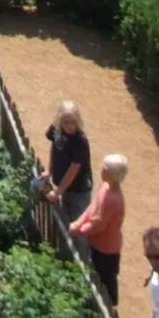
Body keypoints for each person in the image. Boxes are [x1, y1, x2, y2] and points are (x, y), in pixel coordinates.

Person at [72, 153, 128, 304]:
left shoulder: (112, 199)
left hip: (106, 248)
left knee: (107, 279)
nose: (101, 169)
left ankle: (110, 307)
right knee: (97, 274)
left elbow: (99, 223)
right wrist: (78, 223)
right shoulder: (105, 187)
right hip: (98, 243)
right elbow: (93, 207)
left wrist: (80, 230)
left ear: (114, 175)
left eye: (106, 168)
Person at [41, 101, 93, 232]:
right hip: (65, 187)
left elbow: (73, 170)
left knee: (79, 227)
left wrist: (58, 191)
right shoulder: (56, 130)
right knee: (66, 220)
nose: (69, 126)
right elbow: (54, 147)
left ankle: (82, 252)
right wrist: (50, 170)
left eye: (73, 122)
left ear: (78, 121)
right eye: (66, 122)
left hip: (78, 190)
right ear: (59, 120)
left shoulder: (80, 141)